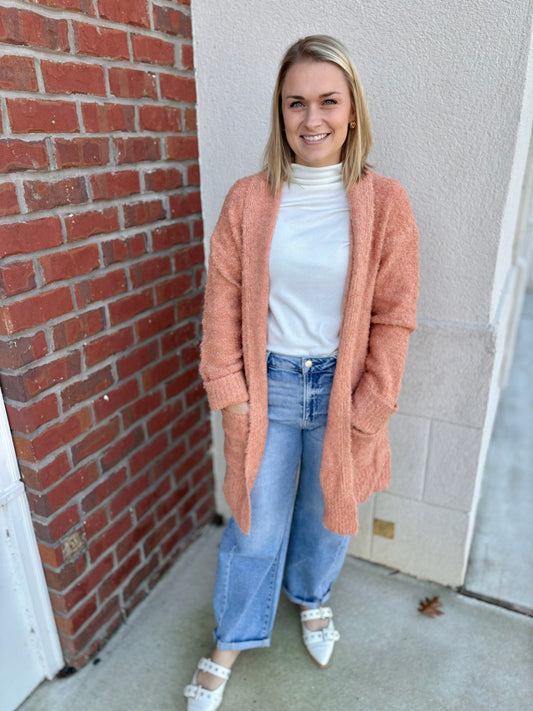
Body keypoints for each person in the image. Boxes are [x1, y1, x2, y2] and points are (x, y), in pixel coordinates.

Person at [184, 34, 419, 710]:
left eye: (326, 101)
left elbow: (393, 314)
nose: (310, 120)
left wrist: (371, 405)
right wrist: (230, 396)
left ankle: (310, 598)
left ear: (351, 110)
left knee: (328, 517)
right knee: (254, 522)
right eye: (295, 103)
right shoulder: (248, 200)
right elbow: (222, 302)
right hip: (269, 386)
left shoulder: (385, 202)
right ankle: (230, 636)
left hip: (342, 390)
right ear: (278, 112)